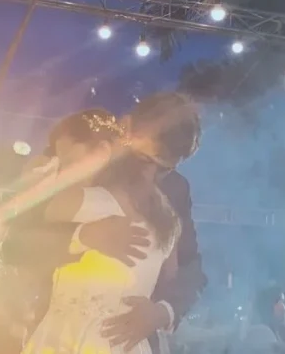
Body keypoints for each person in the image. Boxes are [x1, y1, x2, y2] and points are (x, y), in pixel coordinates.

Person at [23, 107, 181, 354]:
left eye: (67, 160)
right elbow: (173, 275)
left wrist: (35, 176)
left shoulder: (88, 201)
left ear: (102, 153)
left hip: (68, 338)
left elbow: (28, 221)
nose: (62, 168)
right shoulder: (167, 217)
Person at [97, 92, 207, 353]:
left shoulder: (176, 189)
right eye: (145, 160)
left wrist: (162, 312)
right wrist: (81, 236)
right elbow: (20, 242)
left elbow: (192, 270)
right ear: (126, 126)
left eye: (164, 169)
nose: (151, 176)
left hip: (134, 343)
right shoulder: (87, 168)